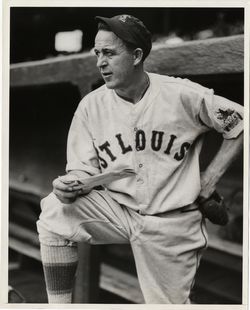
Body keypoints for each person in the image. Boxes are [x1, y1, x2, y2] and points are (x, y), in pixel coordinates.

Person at [36, 14, 243, 304]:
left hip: (171, 222)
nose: (100, 62)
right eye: (97, 53)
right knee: (55, 211)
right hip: (120, 212)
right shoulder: (90, 106)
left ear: (136, 56)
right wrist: (69, 186)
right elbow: (81, 169)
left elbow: (241, 123)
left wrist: (208, 180)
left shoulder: (180, 94)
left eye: (109, 53)